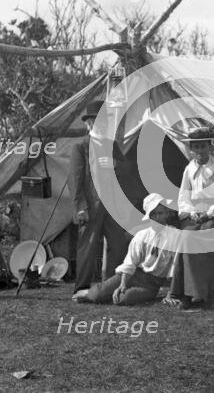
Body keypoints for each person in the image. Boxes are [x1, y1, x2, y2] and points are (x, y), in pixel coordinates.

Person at [164, 125, 214, 309]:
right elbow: (183, 196)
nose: (199, 151)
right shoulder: (189, 169)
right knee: (187, 239)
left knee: (204, 238)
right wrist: (192, 212)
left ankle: (207, 293)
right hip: (195, 216)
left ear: (209, 147)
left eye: (203, 146)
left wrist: (208, 213)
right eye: (195, 147)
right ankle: (188, 293)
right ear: (191, 149)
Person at [69, 100, 132, 300]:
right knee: (87, 246)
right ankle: (81, 287)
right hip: (91, 206)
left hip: (112, 206)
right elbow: (75, 180)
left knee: (119, 244)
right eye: (94, 121)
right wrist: (80, 207)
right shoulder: (80, 147)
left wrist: (116, 164)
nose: (99, 125)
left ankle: (110, 286)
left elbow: (127, 172)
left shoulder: (112, 145)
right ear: (88, 124)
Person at [80, 193, 178, 305]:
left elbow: (176, 266)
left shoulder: (174, 236)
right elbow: (130, 262)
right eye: (153, 214)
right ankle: (97, 293)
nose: (157, 218)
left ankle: (114, 295)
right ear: (148, 216)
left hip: (151, 283)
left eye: (160, 213)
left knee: (122, 300)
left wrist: (171, 293)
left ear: (166, 214)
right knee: (95, 295)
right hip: (132, 275)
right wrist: (123, 284)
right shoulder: (142, 235)